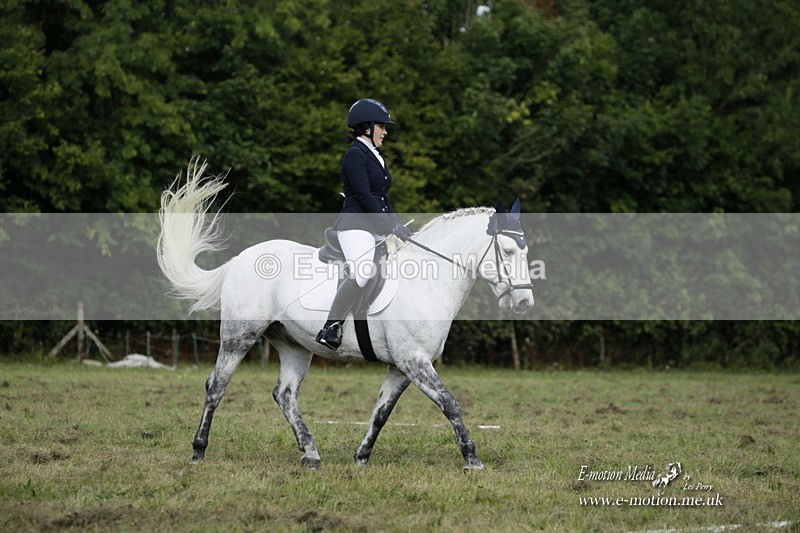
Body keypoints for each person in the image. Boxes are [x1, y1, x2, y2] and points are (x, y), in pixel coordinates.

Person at [315, 98, 412, 350]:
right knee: (363, 271)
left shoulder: (377, 156)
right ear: (366, 127)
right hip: (354, 226)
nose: (385, 131)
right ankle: (331, 326)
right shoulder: (354, 155)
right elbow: (363, 196)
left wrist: (398, 224)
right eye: (382, 126)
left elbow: (382, 198)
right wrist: (387, 225)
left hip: (374, 227)